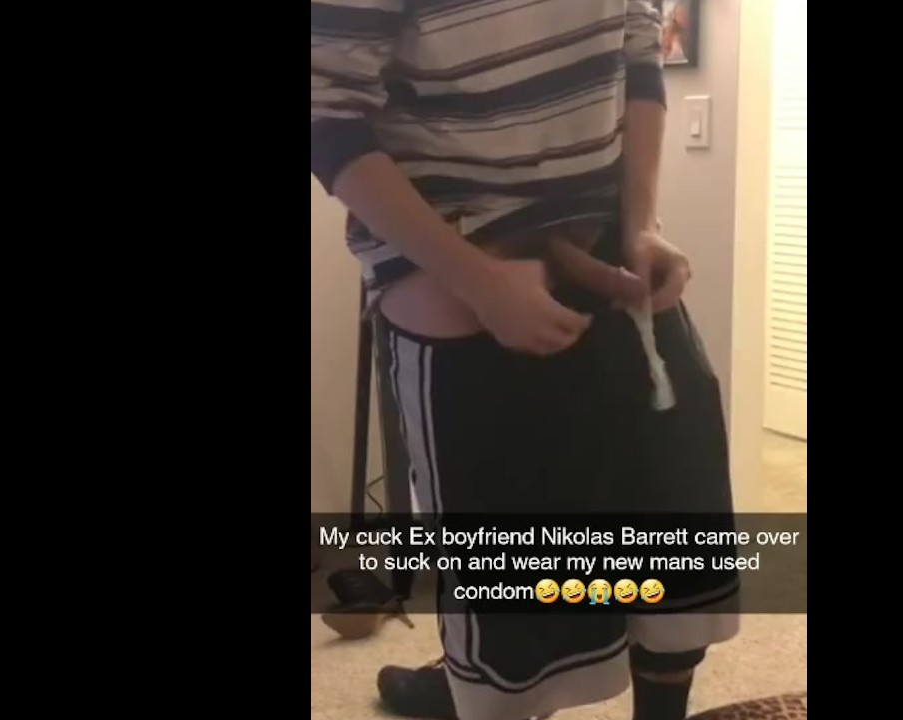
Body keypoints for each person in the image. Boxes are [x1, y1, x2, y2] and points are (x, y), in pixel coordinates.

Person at [311, 2, 740, 719]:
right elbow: (326, 111)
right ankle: (476, 684)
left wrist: (642, 223)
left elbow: (639, 52)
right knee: (511, 596)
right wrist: (477, 282)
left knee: (673, 520)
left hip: (605, 233)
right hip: (458, 256)